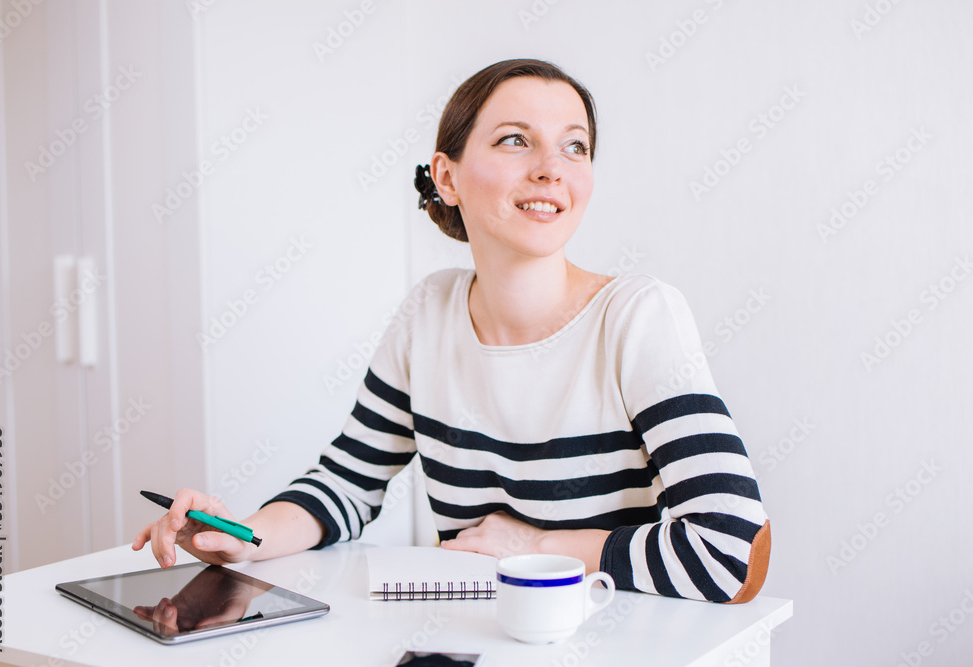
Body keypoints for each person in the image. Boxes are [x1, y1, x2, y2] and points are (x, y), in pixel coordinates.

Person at [134, 58, 770, 604]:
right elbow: (346, 486)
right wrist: (242, 537)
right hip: (475, 637)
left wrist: (534, 547)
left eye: (574, 145)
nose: (552, 168)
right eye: (516, 140)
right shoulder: (429, 312)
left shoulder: (636, 316)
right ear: (446, 177)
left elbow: (730, 549)